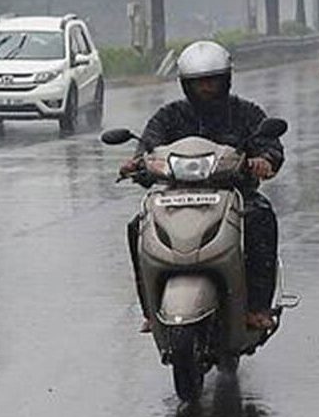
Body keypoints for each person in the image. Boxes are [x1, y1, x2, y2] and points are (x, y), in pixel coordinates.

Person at [120, 41, 283, 332]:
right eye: (199, 83)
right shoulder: (169, 116)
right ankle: (150, 309)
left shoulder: (245, 113)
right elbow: (147, 148)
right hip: (174, 195)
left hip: (235, 194)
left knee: (261, 218)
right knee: (137, 226)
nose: (207, 88)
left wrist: (264, 159)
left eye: (213, 80)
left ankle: (257, 306)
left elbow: (268, 144)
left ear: (227, 79)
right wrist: (137, 165)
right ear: (186, 85)